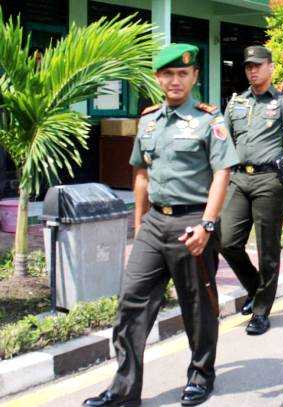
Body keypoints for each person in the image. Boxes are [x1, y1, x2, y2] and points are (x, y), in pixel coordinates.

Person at [83, 44, 239, 406]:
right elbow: (140, 174)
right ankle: (124, 390)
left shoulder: (209, 120)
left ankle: (201, 376)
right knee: (130, 304)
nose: (174, 81)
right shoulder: (149, 120)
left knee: (198, 307)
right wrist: (139, 226)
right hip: (154, 223)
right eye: (167, 74)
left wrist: (208, 224)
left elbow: (222, 173)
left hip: (192, 222)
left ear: (195, 77)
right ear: (158, 78)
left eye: (182, 74)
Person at [220, 45, 283, 335]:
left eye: (258, 65)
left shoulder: (281, 101)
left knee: (267, 249)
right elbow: (223, 144)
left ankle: (261, 311)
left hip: (269, 181)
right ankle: (255, 288)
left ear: (271, 68)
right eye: (248, 66)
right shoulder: (235, 103)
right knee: (226, 240)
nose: (253, 70)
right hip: (239, 178)